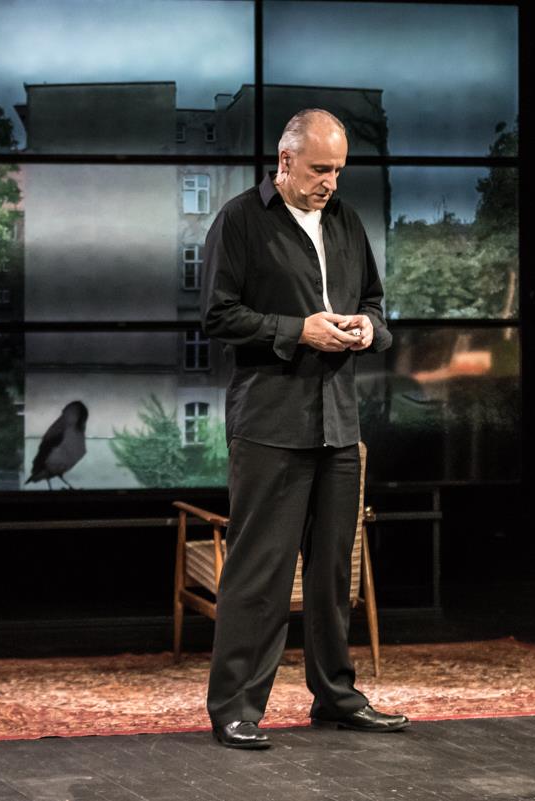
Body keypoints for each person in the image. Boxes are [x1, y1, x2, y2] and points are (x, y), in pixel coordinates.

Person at [200, 108, 409, 749]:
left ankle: (336, 697)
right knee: (259, 573)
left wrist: (369, 328)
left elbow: (375, 303)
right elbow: (218, 315)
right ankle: (236, 707)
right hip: (270, 423)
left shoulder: (345, 221)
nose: (330, 183)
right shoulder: (240, 220)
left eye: (338, 171)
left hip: (338, 424)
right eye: (320, 169)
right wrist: (299, 331)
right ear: (285, 161)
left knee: (332, 575)